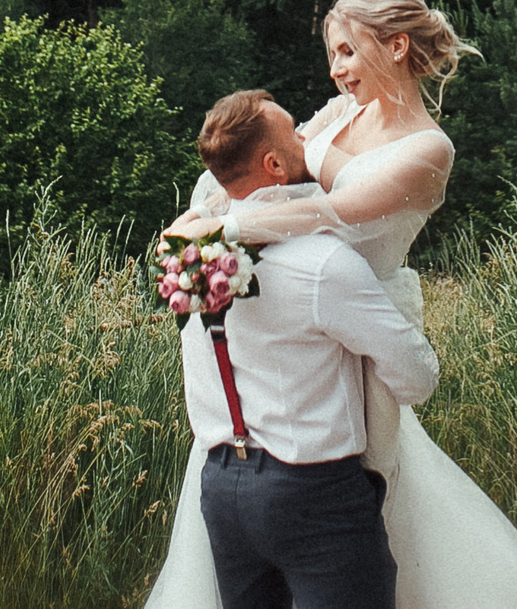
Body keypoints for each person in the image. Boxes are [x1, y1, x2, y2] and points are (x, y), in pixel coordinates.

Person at [143, 0, 517, 609]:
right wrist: (197, 222)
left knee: (374, 489)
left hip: (363, 324)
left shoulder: (428, 148)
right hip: (299, 320)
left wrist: (225, 230)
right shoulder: (342, 113)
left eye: (345, 52)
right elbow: (262, 165)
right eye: (331, 54)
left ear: (394, 46)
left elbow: (335, 211)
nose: (335, 70)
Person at [175, 89, 440, 609]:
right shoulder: (323, 262)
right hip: (315, 495)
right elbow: (416, 379)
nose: (307, 139)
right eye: (296, 132)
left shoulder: (191, 260)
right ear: (273, 164)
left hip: (222, 488)